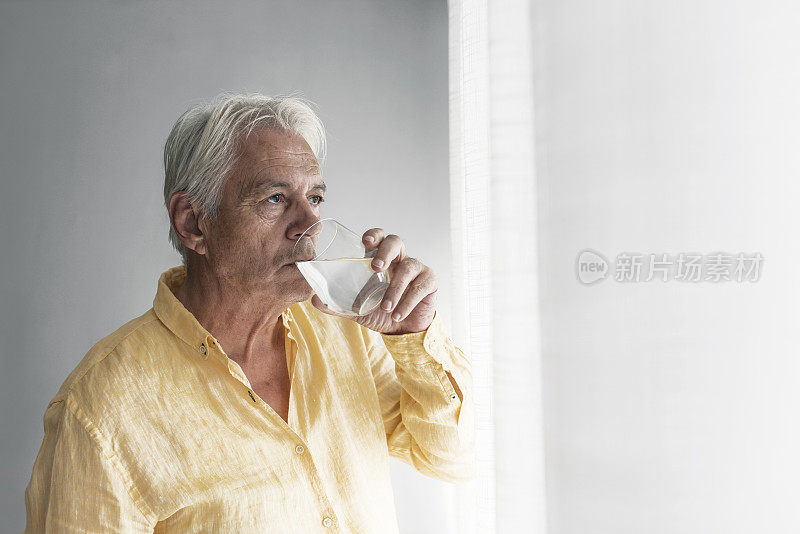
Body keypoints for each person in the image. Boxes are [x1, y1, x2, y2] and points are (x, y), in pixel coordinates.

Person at [22, 93, 474, 533]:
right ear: (193, 223)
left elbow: (450, 457)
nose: (308, 228)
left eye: (314, 199)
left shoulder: (344, 330)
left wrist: (412, 336)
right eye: (275, 199)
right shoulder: (99, 410)